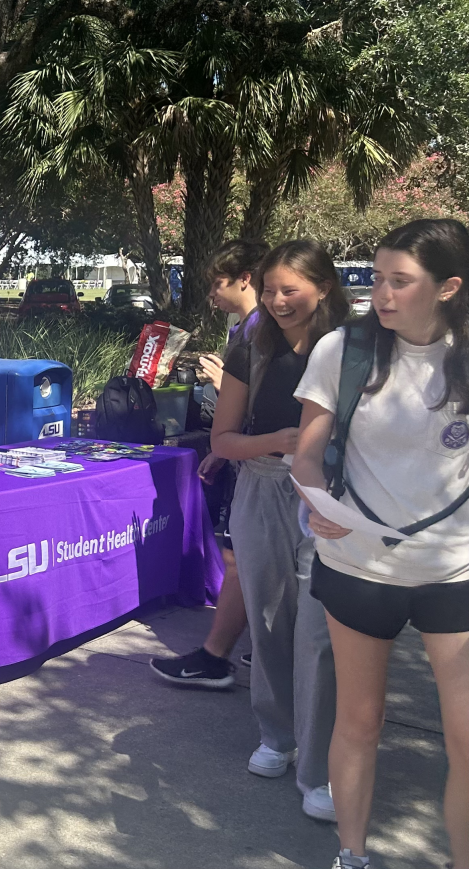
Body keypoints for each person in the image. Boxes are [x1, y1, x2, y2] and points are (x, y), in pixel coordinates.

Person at [292, 219, 469, 869]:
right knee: (360, 721)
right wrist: (317, 504)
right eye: (377, 276)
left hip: (455, 569)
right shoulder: (346, 349)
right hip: (358, 564)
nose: (381, 294)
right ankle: (351, 853)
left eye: (400, 281)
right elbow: (306, 458)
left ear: (449, 287)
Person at [210, 239, 348, 822]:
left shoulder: (353, 349)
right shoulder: (251, 347)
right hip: (263, 486)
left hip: (332, 496)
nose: (276, 301)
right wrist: (282, 442)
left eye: (289, 290)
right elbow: (223, 441)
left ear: (323, 288)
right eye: (268, 289)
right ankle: (277, 735)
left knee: (318, 633)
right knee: (268, 619)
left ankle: (320, 768)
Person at [152, 239, 266, 687]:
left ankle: (216, 657)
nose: (212, 294)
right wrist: (221, 447)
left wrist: (225, 386)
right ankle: (259, 648)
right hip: (245, 456)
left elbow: (266, 402)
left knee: (241, 558)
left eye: (218, 283)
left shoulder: (258, 329)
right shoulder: (245, 328)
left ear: (245, 279)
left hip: (263, 463)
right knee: (245, 558)